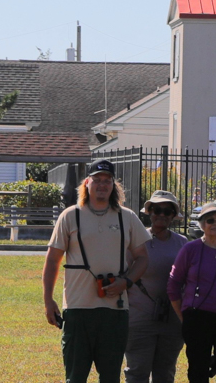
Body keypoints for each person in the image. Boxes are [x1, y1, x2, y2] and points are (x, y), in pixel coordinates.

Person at [43, 159, 150, 383]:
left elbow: (142, 258)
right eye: (97, 180)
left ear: (113, 185)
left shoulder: (127, 217)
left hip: (115, 312)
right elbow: (52, 260)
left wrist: (126, 282)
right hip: (77, 309)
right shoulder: (70, 215)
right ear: (87, 183)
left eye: (107, 180)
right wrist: (48, 300)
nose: (102, 184)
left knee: (110, 377)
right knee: (75, 377)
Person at [168, 200, 216, 383]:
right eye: (210, 220)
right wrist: (184, 316)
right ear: (202, 224)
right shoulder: (190, 249)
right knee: (198, 371)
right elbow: (173, 285)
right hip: (197, 318)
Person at [125, 190, 186, 383]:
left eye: (167, 211)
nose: (161, 214)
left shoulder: (182, 243)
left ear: (173, 216)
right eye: (157, 210)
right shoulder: (135, 240)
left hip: (172, 321)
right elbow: (123, 277)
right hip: (139, 319)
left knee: (165, 374)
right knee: (137, 373)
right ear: (149, 212)